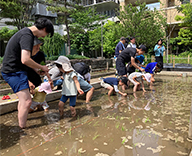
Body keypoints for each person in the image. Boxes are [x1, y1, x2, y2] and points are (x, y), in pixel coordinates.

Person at [1, 17, 54, 129]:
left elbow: (25, 61)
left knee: (24, 100)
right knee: (26, 101)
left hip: (17, 70)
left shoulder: (26, 33)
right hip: (13, 71)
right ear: (44, 28)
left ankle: (21, 125)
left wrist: (37, 69)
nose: (44, 36)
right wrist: (41, 66)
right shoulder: (27, 35)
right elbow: (25, 59)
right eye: (46, 33)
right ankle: (22, 129)